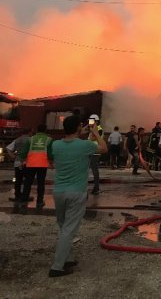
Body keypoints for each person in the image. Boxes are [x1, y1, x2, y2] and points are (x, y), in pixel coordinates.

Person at [47, 114, 107, 277]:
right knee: (69, 229)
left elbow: (61, 149)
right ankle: (57, 267)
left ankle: (67, 258)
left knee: (64, 226)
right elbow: (104, 148)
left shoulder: (56, 145)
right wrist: (94, 132)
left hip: (58, 192)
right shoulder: (85, 145)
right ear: (78, 129)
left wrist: (80, 132)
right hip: (76, 192)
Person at [20, 123, 52, 209]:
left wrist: (22, 160)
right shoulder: (49, 139)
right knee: (41, 184)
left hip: (31, 164)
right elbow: (50, 154)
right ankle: (39, 202)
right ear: (45, 130)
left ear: (37, 130)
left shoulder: (30, 139)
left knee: (28, 183)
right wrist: (51, 163)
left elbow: (24, 152)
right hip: (42, 164)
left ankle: (23, 201)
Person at [6, 129, 30, 204]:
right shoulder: (30, 140)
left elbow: (8, 148)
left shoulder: (17, 140)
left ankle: (17, 195)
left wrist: (13, 156)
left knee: (18, 179)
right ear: (29, 132)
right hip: (27, 162)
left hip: (17, 162)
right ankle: (25, 196)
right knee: (27, 180)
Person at [87, 114, 103, 194]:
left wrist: (89, 137)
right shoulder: (93, 128)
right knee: (93, 169)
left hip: (95, 152)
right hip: (92, 151)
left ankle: (96, 188)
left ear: (96, 121)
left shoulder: (98, 129)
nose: (90, 122)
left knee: (94, 170)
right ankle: (96, 188)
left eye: (91, 120)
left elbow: (94, 138)